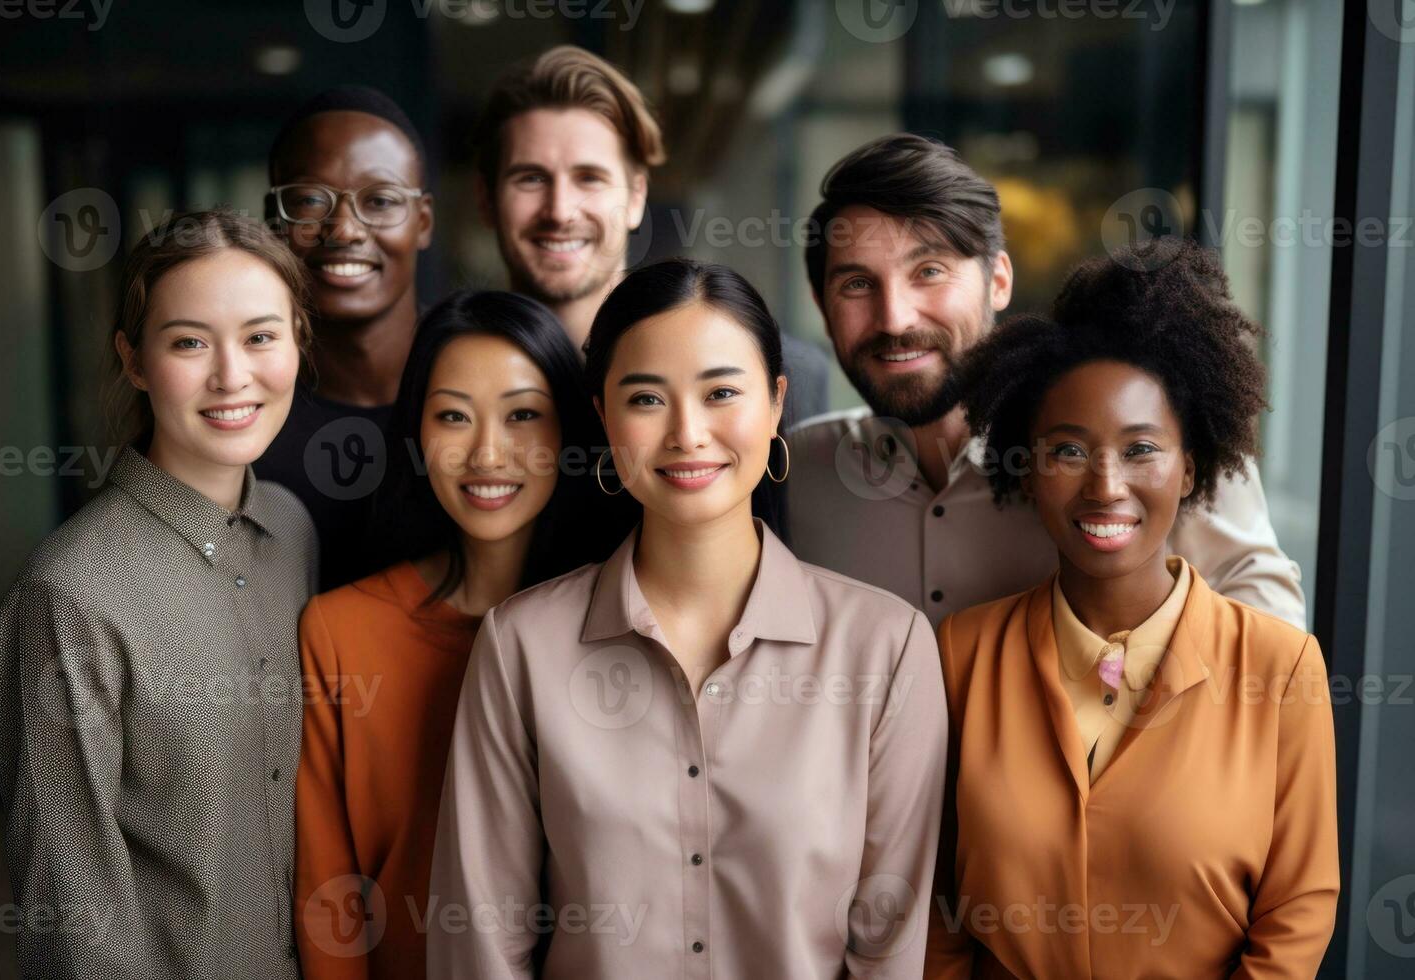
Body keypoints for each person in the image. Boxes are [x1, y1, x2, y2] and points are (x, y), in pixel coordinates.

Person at [428, 259, 947, 978]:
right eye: (646, 399)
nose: (687, 433)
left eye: (722, 392)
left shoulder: (884, 650)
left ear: (775, 404)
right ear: (603, 416)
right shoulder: (522, 646)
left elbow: (888, 946)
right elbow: (481, 942)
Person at [925, 240, 1339, 978]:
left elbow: (1297, 911)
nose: (1106, 486)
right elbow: (937, 909)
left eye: (1142, 449)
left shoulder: (1280, 668)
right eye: (1069, 450)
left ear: (1192, 467)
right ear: (1027, 465)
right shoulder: (960, 653)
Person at [0, 209, 318, 979]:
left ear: (298, 341)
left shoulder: (294, 532)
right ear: (133, 360)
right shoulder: (68, 599)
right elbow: (74, 923)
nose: (232, 376)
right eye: (189, 342)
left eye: (261, 336)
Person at [786, 134, 1307, 627]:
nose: (895, 319)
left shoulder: (1140, 432)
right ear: (822, 307)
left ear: (999, 281)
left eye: (930, 271)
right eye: (857, 284)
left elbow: (1266, 629)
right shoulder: (795, 474)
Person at [294, 290, 630, 979]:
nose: (486, 452)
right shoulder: (341, 631)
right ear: (416, 432)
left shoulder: (628, 619)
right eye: (453, 416)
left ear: (570, 430)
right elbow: (331, 899)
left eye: (523, 416)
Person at [472, 45, 833, 425]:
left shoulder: (781, 374)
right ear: (486, 200)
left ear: (636, 196)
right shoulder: (439, 374)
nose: (560, 211)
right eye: (531, 178)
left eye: (589, 178)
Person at [256, 84, 435, 589]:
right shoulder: (240, 408)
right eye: (311, 200)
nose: (345, 229)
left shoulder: (487, 382)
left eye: (380, 200)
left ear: (423, 222)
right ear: (274, 220)